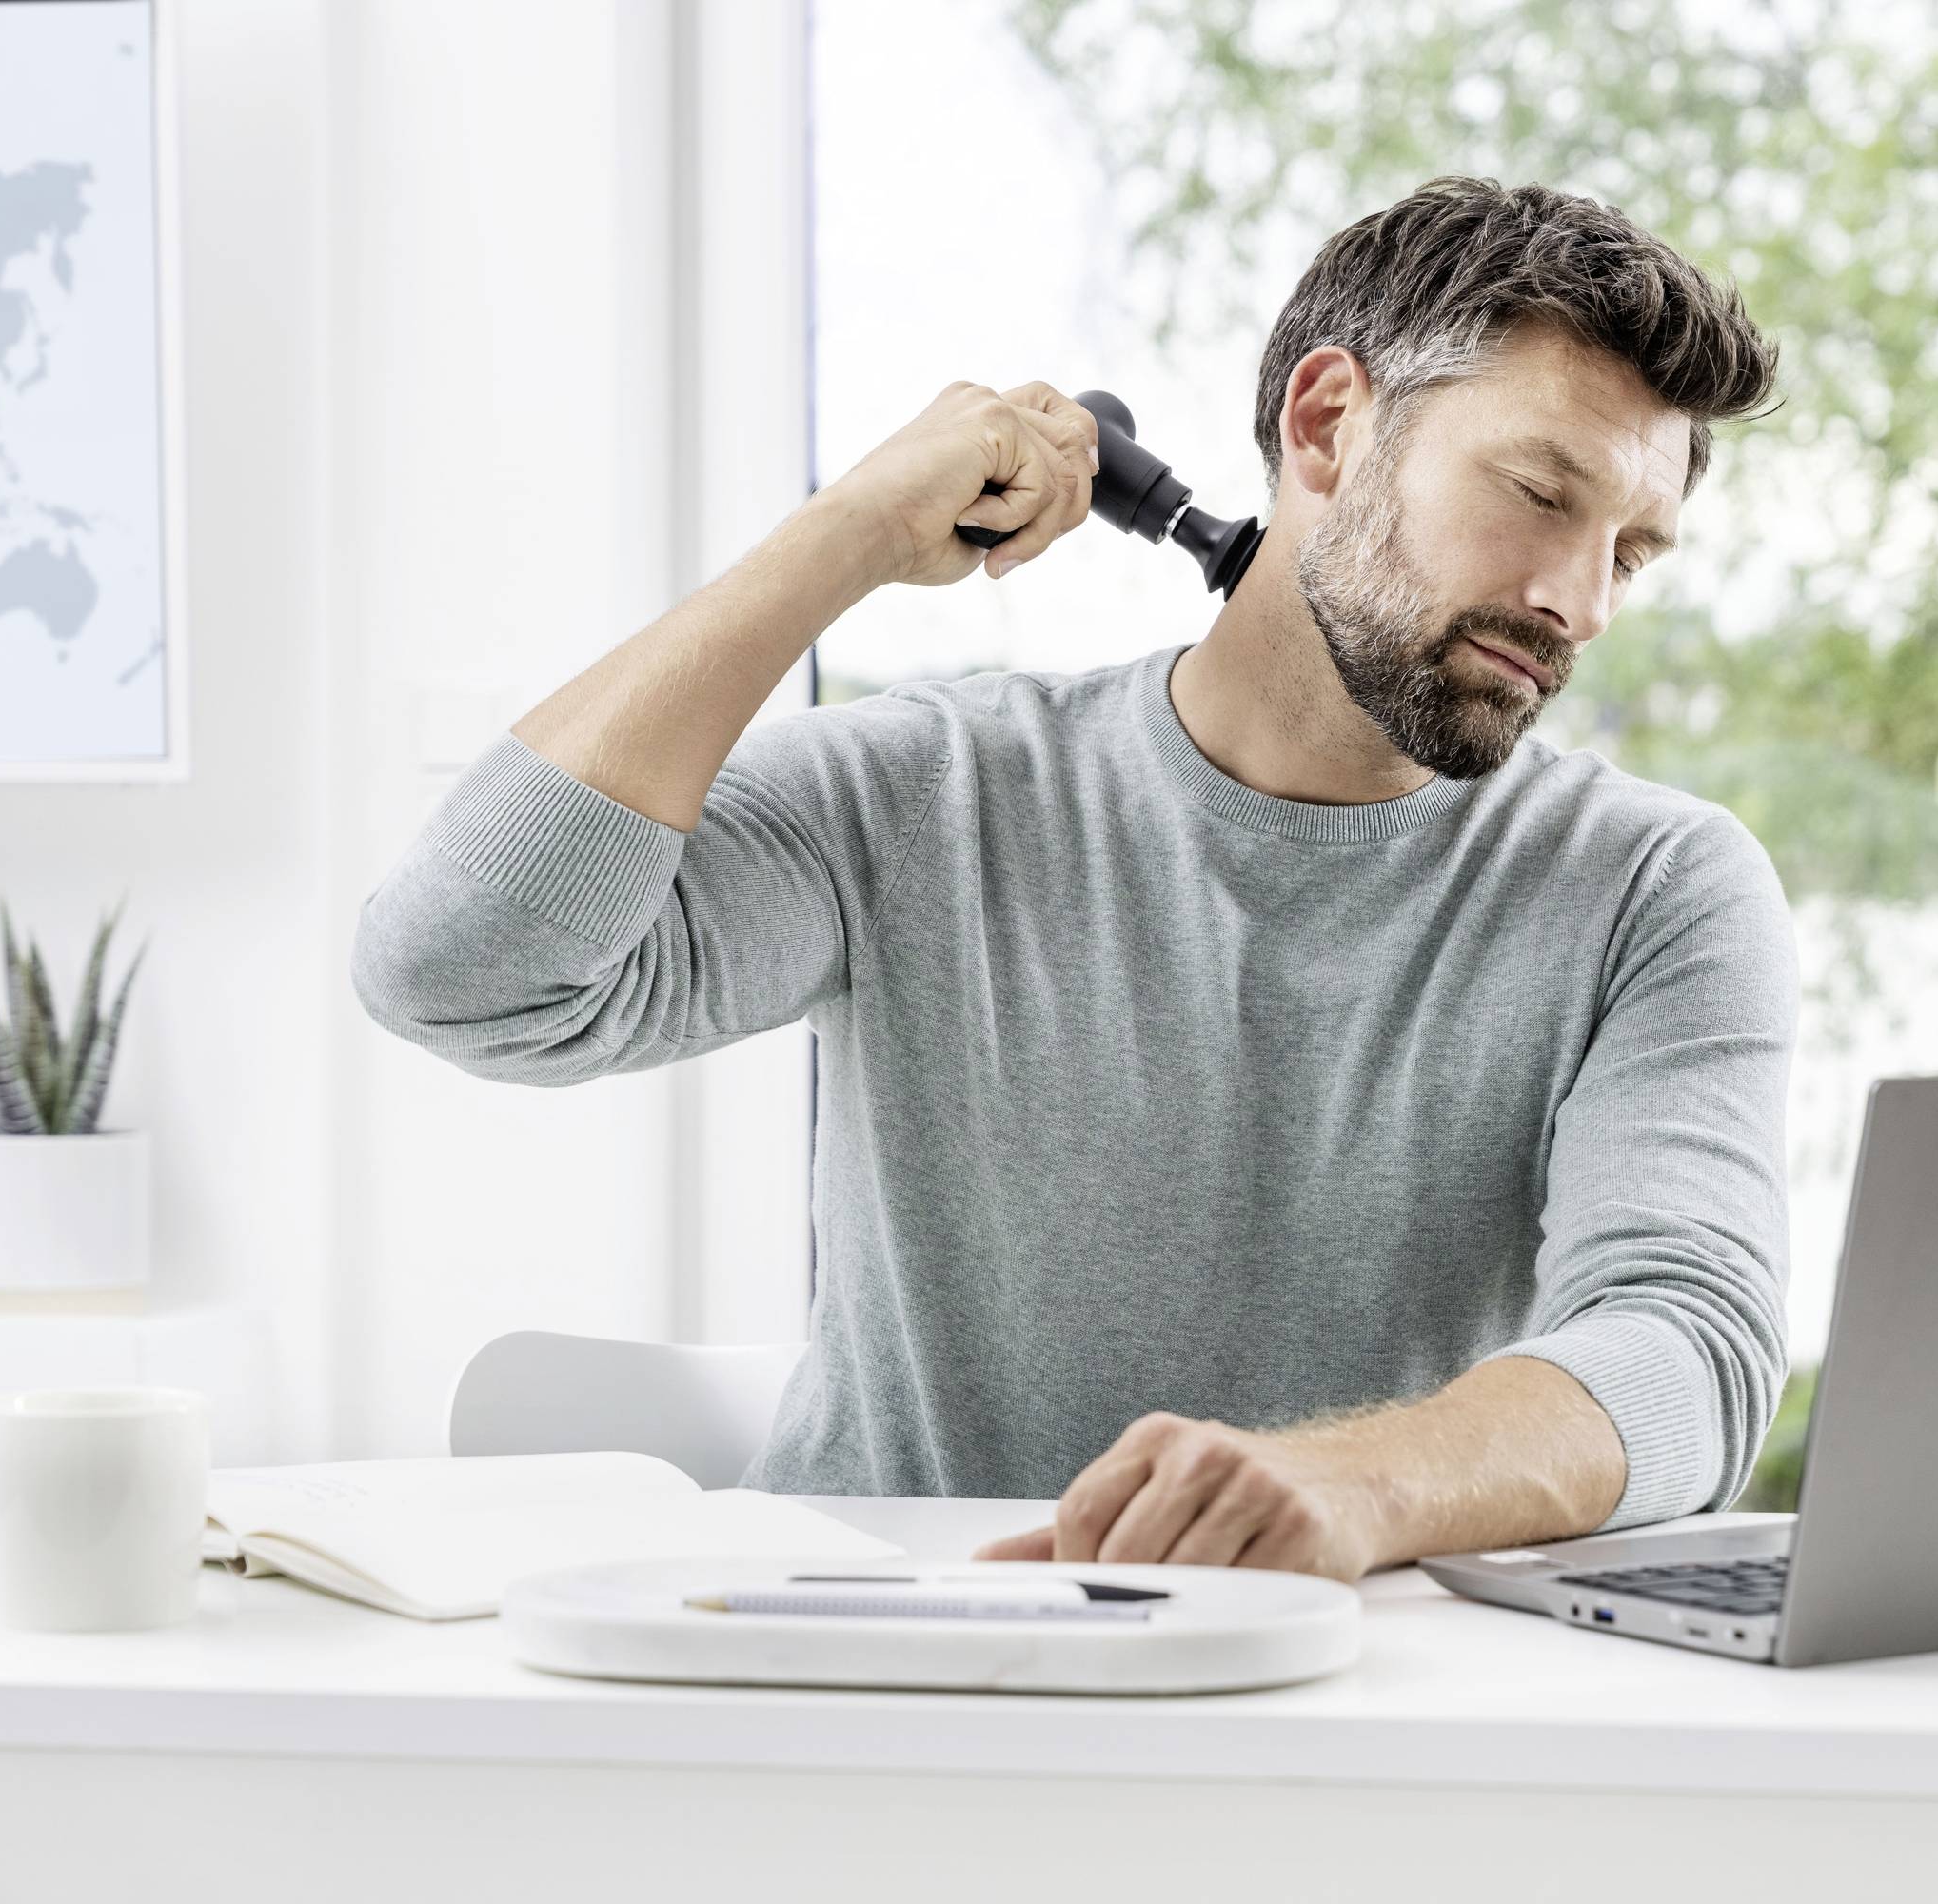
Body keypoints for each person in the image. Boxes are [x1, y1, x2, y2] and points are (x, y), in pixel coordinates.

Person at [350, 175, 1795, 1582]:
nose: (1583, 602)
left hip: (1330, 1696)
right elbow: (460, 977)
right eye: (1544, 494)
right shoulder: (927, 792)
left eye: (1635, 553)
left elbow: (1689, 1350)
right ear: (1331, 424)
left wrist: (1347, 1485)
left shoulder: (1653, 889)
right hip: (882, 1687)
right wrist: (847, 533)